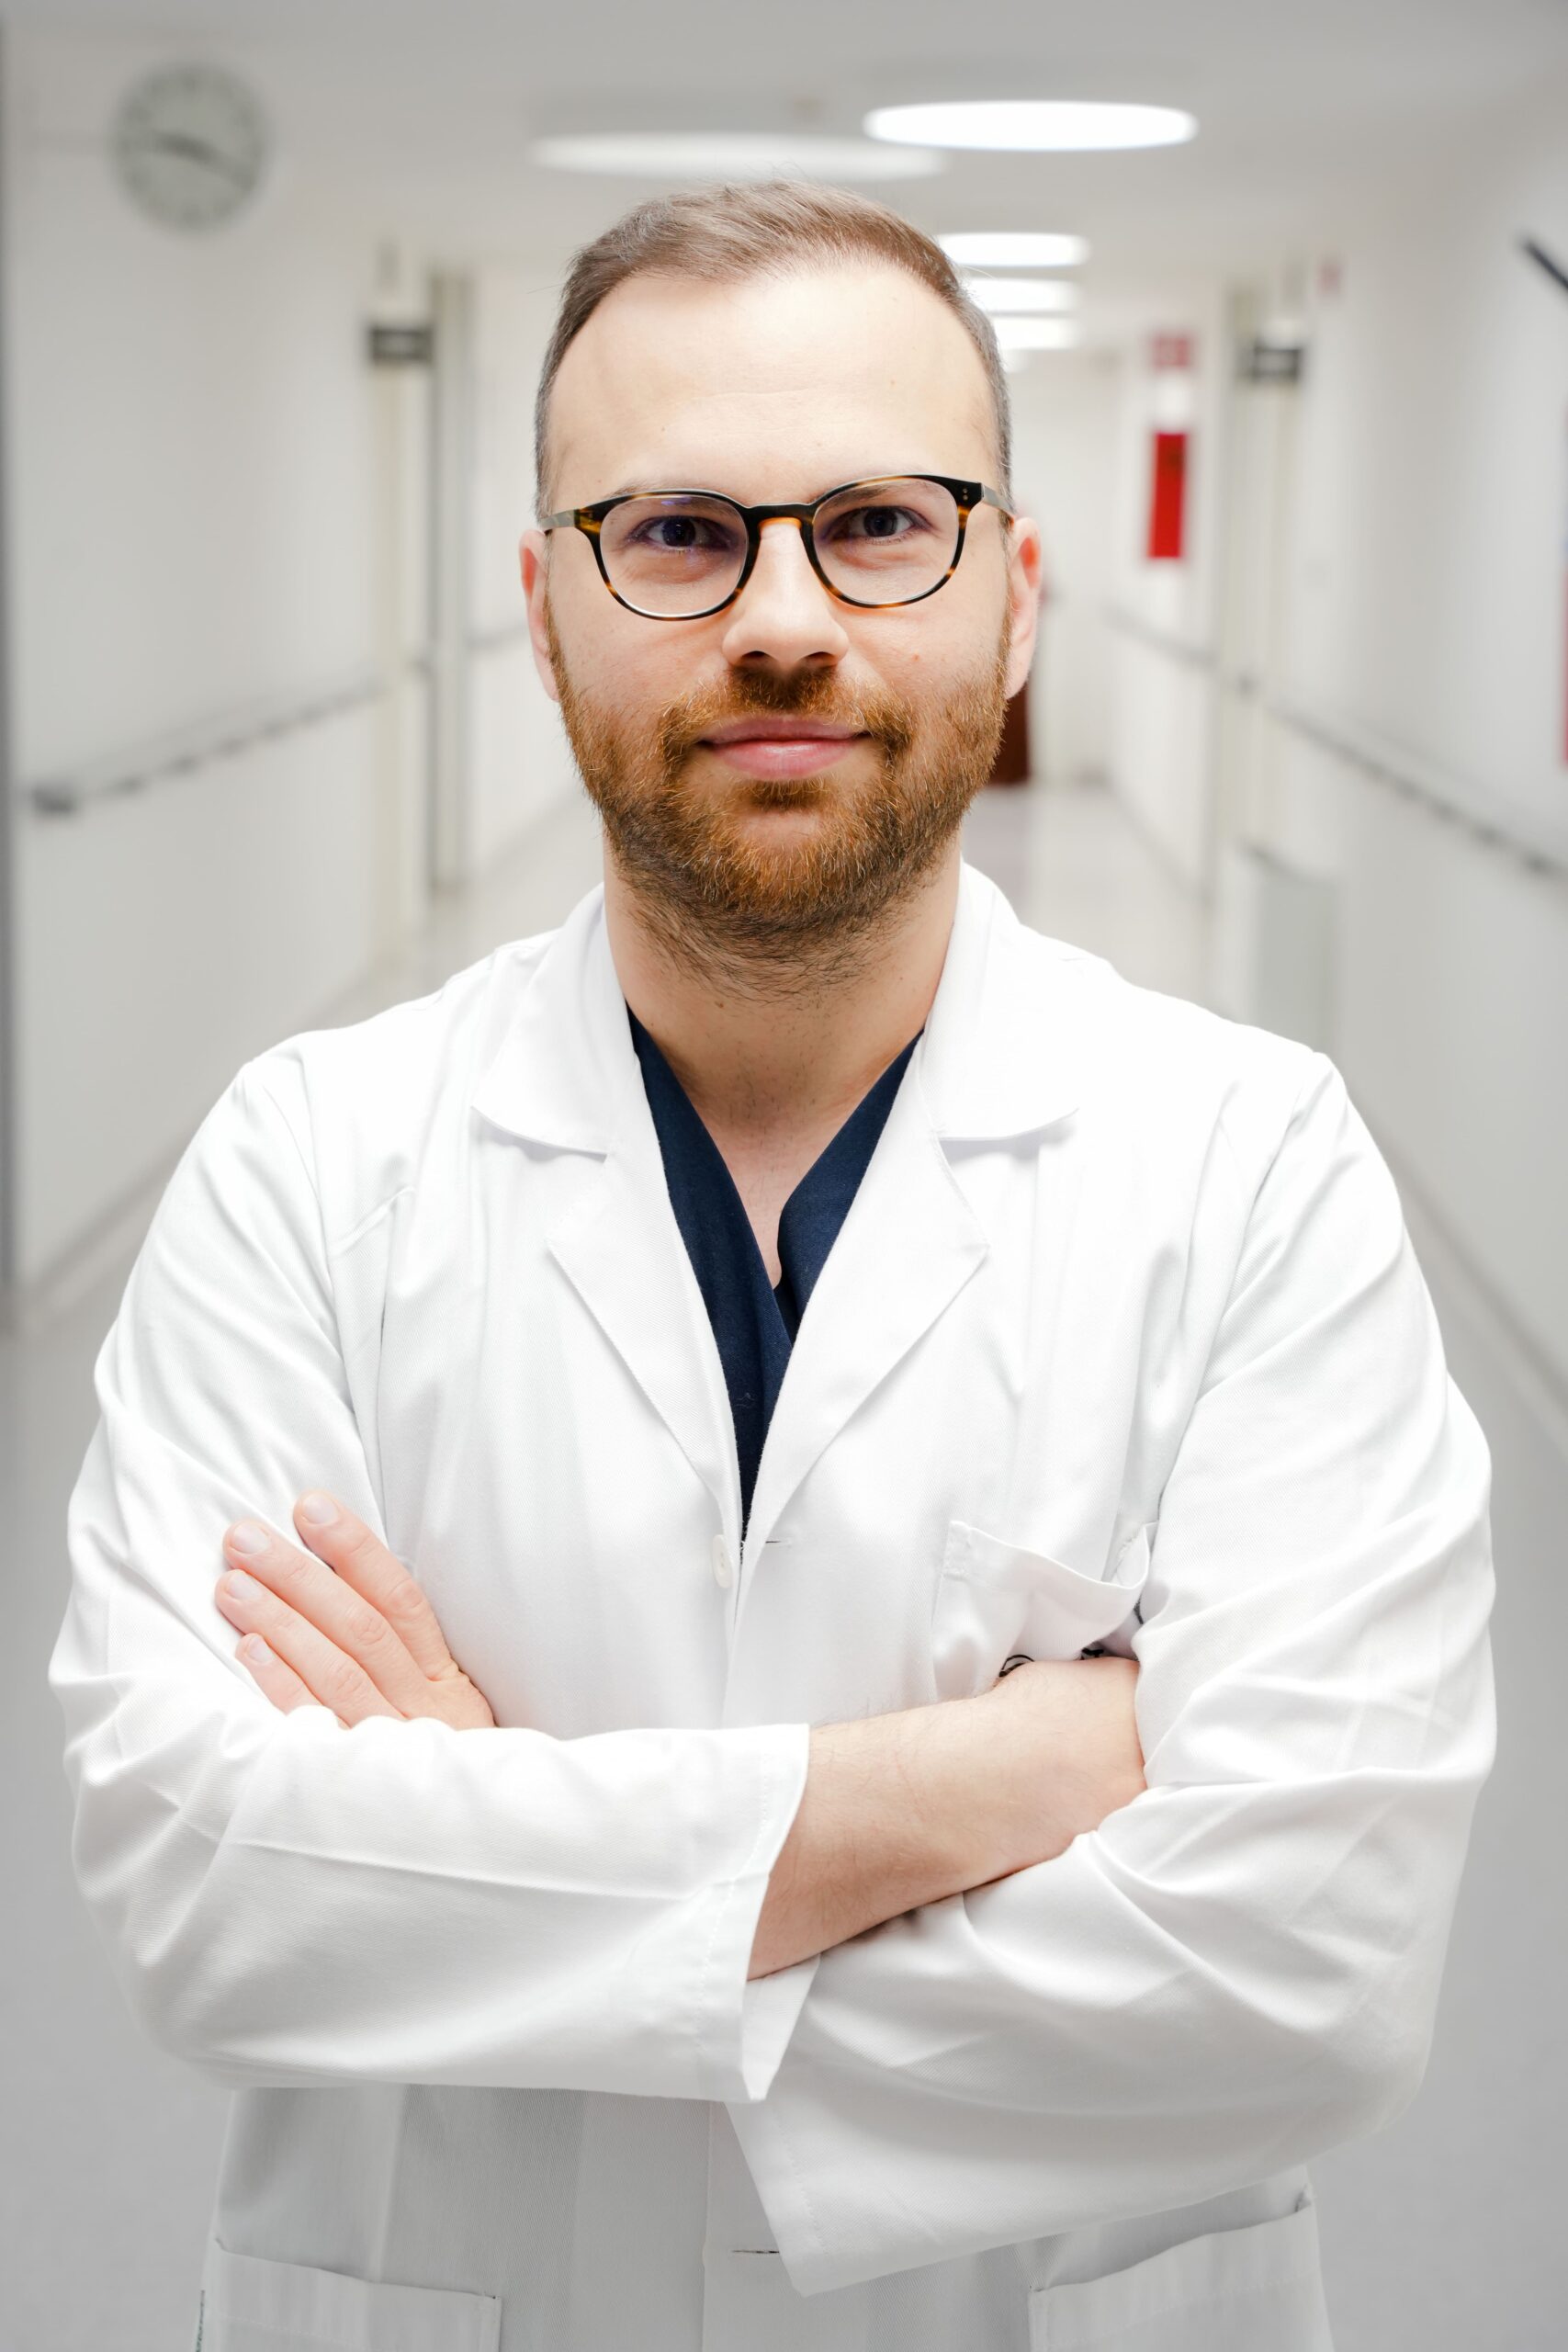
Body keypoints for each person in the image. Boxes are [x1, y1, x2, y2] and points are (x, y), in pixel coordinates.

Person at [50, 181, 1495, 2352]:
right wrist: (983, 1784)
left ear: (1014, 597)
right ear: (543, 609)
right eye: (675, 533)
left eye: (880, 523)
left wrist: (475, 1866)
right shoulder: (307, 1165)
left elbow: (1309, 1967)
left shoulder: (1250, 1168)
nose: (784, 618)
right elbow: (205, 1891)